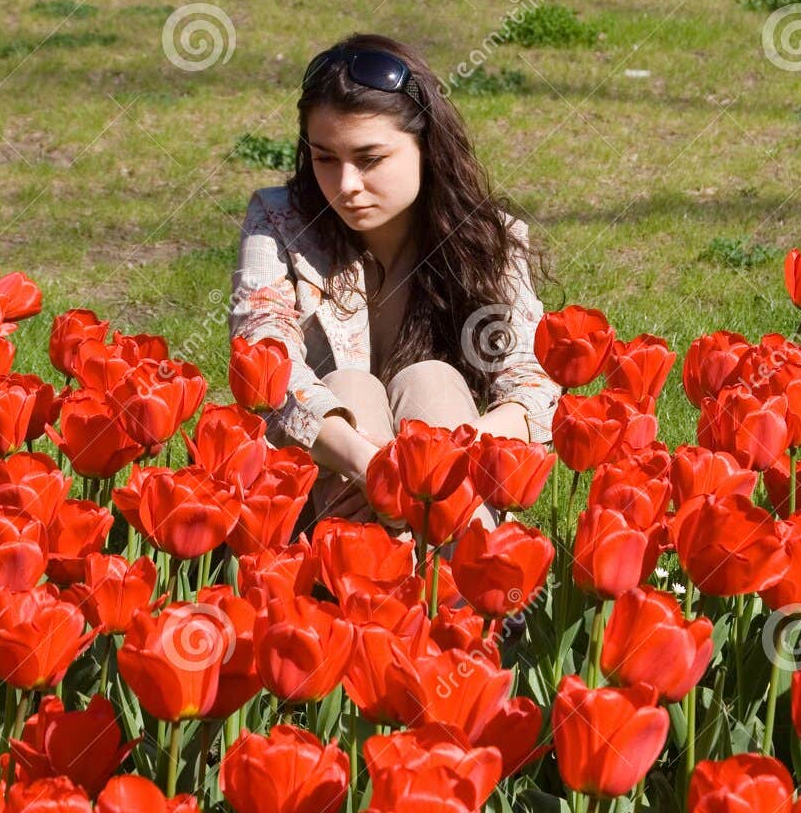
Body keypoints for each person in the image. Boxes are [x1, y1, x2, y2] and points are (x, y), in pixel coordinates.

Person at [226, 32, 562, 541]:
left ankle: (442, 581)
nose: (346, 185)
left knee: (430, 380)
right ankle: (416, 578)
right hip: (327, 479)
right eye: (325, 158)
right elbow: (265, 353)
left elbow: (533, 385)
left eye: (369, 159)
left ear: (426, 145)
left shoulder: (486, 238)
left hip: (443, 473)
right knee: (348, 388)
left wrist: (432, 460)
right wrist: (366, 463)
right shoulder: (279, 222)